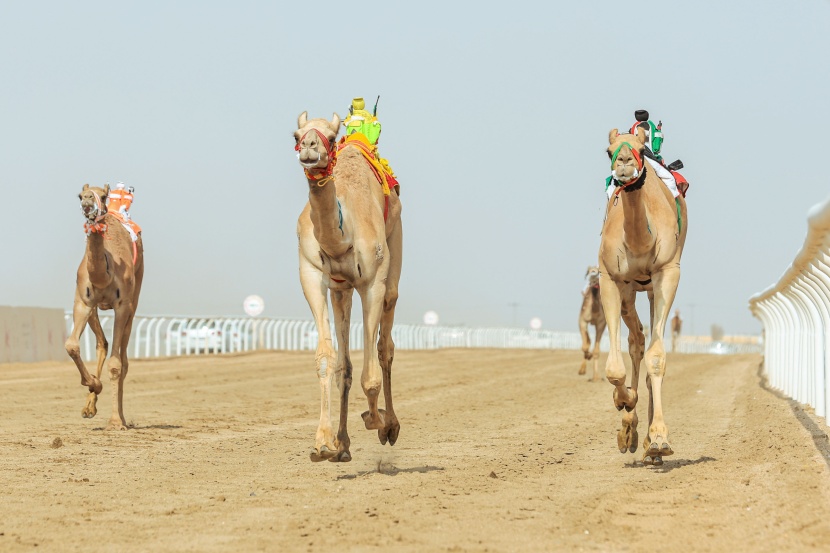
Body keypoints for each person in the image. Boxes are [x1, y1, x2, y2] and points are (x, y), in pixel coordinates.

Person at [606, 109, 688, 198]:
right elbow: (656, 148)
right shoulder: (653, 128)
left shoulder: (633, 128)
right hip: (648, 156)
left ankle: (611, 201)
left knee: (612, 182)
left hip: (637, 154)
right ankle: (673, 199)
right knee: (669, 178)